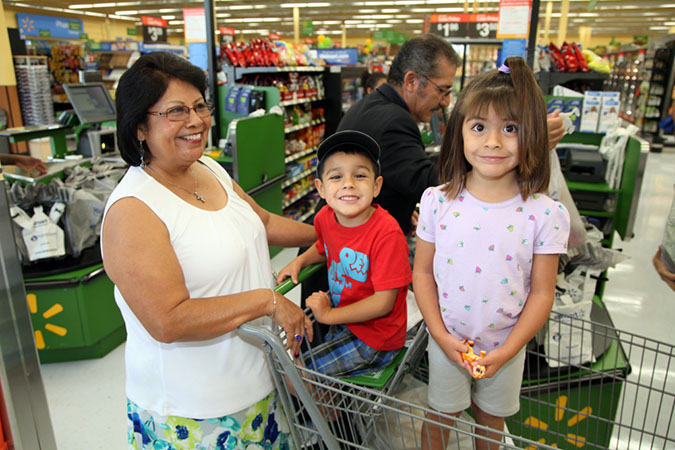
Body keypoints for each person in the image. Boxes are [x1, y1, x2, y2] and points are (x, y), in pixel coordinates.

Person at [101, 52, 316, 449]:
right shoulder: (133, 210)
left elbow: (263, 224)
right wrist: (266, 301)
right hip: (192, 416)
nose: (196, 121)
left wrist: (331, 234)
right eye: (176, 111)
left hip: (257, 387)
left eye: (200, 105)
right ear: (139, 128)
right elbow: (168, 320)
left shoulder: (210, 169)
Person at [412, 57, 571, 450]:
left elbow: (541, 293)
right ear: (460, 131)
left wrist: (507, 351)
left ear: (532, 133)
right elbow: (422, 275)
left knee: (490, 425)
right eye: (479, 127)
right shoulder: (437, 201)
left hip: (507, 345)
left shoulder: (545, 214)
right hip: (447, 340)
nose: (493, 142)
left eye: (511, 128)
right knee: (440, 416)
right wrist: (439, 334)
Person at [277, 130, 411, 377]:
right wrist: (299, 261)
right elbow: (324, 247)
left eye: (360, 175)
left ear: (376, 185)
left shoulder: (386, 233)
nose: (348, 183)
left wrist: (329, 315)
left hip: (376, 338)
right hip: (345, 321)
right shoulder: (325, 218)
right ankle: (335, 414)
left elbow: (384, 302)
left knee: (299, 375)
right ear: (321, 188)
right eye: (336, 176)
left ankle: (322, 416)